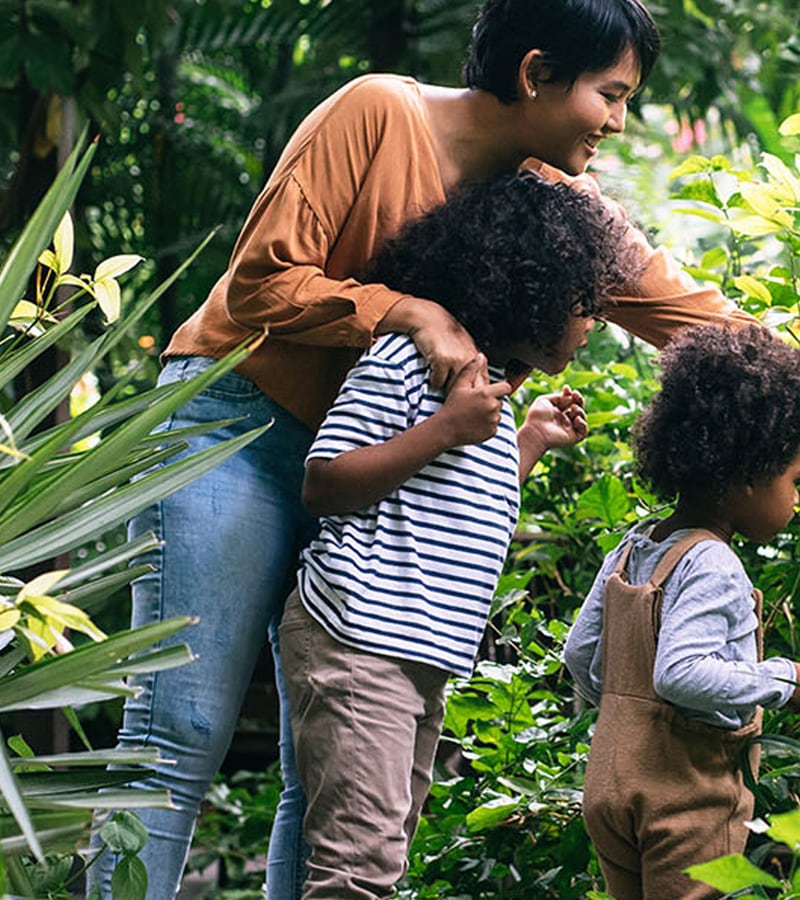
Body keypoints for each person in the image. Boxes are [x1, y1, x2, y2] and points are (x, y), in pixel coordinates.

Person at [90, 0, 800, 896]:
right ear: (535, 73)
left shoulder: (552, 206)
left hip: (382, 483)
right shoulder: (378, 112)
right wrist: (409, 309)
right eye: (611, 93)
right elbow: (259, 285)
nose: (621, 121)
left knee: (320, 778)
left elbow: (703, 325)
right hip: (243, 426)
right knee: (181, 730)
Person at [280, 171, 628, 898]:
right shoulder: (413, 364)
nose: (591, 323)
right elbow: (326, 482)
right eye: (582, 304)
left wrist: (526, 442)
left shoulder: (491, 388)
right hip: (359, 638)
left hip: (414, 653)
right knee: (357, 869)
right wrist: (445, 428)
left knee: (380, 862)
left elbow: (461, 504)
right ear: (525, 289)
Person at [564, 324, 800, 899]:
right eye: (795, 480)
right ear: (746, 478)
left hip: (609, 784)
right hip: (682, 794)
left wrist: (629, 718)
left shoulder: (635, 545)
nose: (797, 497)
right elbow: (680, 674)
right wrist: (780, 680)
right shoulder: (713, 563)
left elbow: (582, 655)